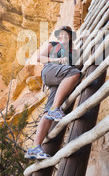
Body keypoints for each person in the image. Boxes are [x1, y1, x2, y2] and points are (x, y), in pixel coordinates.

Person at [25, 26, 81, 160]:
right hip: (50, 71)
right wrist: (56, 60)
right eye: (59, 35)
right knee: (74, 73)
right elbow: (40, 58)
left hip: (59, 79)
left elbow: (77, 62)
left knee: (47, 112)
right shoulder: (54, 45)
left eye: (64, 35)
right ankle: (55, 109)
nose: (61, 37)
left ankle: (35, 147)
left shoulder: (72, 52)